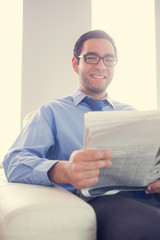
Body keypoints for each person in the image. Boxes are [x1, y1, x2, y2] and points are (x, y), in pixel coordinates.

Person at [3, 30, 160, 240]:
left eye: (109, 59)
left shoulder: (132, 113)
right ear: (76, 64)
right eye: (92, 57)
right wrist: (64, 170)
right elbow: (14, 161)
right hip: (105, 201)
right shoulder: (52, 111)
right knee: (149, 228)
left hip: (151, 194)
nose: (101, 65)